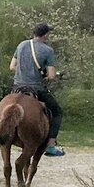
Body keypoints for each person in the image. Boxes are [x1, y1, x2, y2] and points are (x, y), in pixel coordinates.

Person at [10, 22, 64, 156]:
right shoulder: (48, 50)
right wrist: (48, 76)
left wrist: (25, 73)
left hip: (18, 87)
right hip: (36, 89)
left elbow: (12, 66)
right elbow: (51, 76)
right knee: (57, 112)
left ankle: (1, 135)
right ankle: (51, 146)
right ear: (45, 35)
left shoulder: (22, 45)